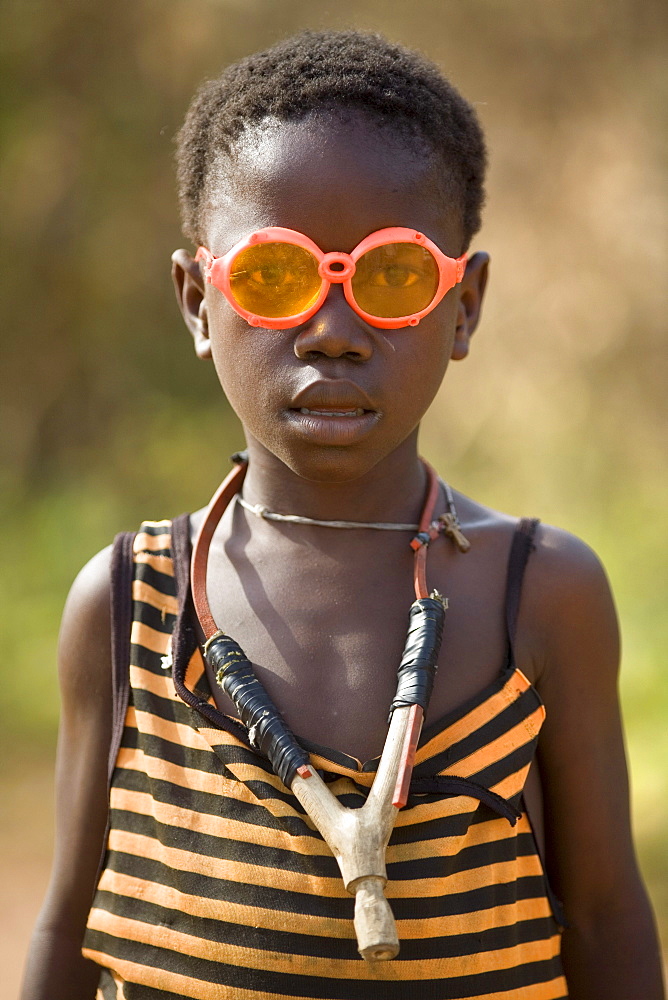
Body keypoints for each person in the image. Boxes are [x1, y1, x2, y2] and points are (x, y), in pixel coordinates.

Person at [21, 29, 664, 1000]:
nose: (332, 330)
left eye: (392, 276)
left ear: (465, 306)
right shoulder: (126, 608)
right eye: (273, 277)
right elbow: (68, 919)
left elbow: (609, 917)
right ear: (198, 301)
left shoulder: (541, 596)